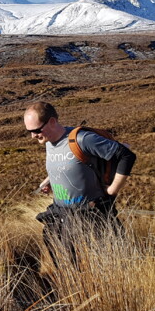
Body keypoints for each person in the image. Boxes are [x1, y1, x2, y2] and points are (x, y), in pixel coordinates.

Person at [24, 101, 136, 268]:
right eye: (29, 131)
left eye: (36, 130)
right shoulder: (48, 142)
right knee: (67, 268)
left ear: (52, 122)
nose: (33, 136)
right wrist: (50, 181)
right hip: (61, 215)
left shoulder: (82, 139)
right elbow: (70, 164)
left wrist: (112, 190)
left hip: (91, 213)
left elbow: (126, 156)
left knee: (109, 265)